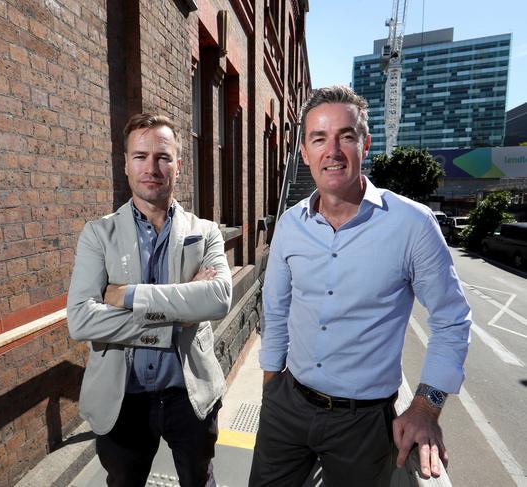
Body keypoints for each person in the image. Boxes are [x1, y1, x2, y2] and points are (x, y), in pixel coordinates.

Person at [249, 86, 472, 487]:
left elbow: (452, 321)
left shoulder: (412, 225)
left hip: (364, 423)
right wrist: (270, 383)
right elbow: (277, 308)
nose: (331, 151)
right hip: (288, 406)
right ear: (304, 152)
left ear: (365, 144)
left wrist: (426, 406)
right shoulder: (289, 225)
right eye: (319, 138)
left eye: (345, 136)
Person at [67, 113, 232, 487]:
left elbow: (219, 297)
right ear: (125, 163)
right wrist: (178, 315)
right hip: (123, 399)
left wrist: (126, 296)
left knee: (199, 482)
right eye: (140, 156)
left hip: (189, 396)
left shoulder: (205, 233)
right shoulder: (98, 234)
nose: (151, 167)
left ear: (178, 163)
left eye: (163, 156)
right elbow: (81, 320)